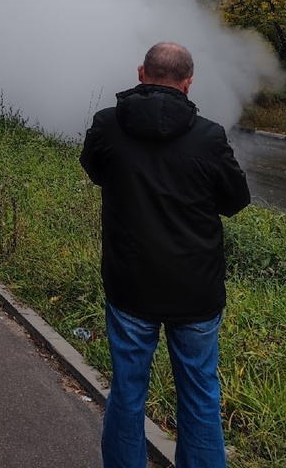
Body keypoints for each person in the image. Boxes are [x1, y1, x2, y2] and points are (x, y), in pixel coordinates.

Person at [80, 42, 250, 468]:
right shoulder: (209, 136)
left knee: (127, 394)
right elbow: (235, 201)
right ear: (188, 84)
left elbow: (95, 171)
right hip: (195, 291)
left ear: (141, 73)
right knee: (200, 398)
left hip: (130, 286)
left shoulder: (107, 124)